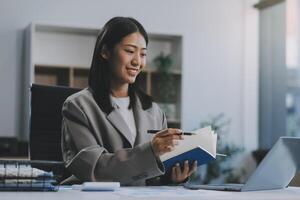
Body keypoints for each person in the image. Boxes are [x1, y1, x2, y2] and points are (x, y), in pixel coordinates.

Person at [61, 16, 197, 186]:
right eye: (130, 51)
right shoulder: (78, 106)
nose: (137, 61)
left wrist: (173, 178)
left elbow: (152, 179)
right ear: (105, 52)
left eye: (143, 54)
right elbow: (94, 170)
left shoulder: (154, 111)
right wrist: (150, 151)